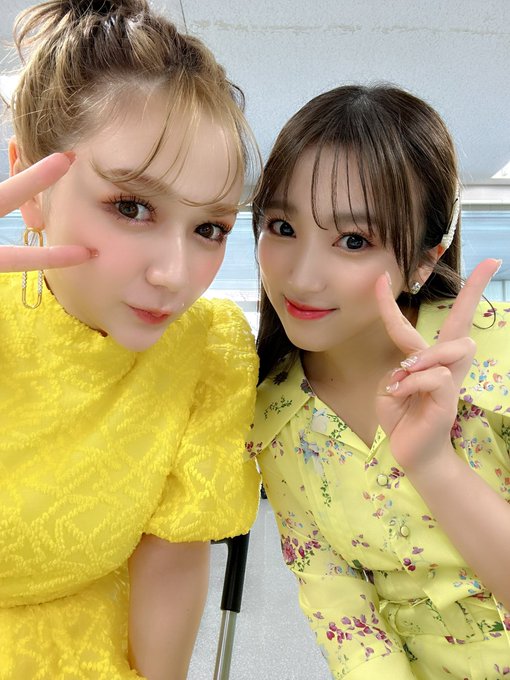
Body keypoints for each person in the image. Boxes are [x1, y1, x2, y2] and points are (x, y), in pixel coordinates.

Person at [0, 1, 261, 678]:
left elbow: (171, 556)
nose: (175, 275)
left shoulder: (206, 350)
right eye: (132, 206)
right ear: (31, 187)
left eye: (210, 228)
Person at [247, 84, 510, 678]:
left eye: (353, 241)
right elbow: (343, 613)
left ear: (424, 259)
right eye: (282, 226)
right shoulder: (275, 413)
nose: (302, 277)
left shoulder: (498, 353)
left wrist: (435, 467)